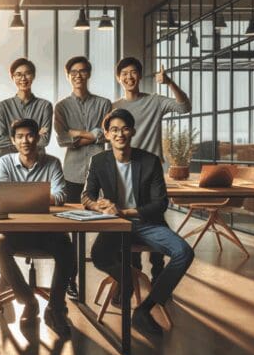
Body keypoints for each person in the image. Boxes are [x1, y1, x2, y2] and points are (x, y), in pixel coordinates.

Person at [82, 108, 194, 336]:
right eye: (114, 129)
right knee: (99, 255)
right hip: (114, 223)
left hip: (146, 222)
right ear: (106, 133)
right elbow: (86, 196)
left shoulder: (150, 161)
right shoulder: (98, 161)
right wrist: (99, 205)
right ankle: (128, 280)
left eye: (124, 128)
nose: (119, 134)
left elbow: (159, 204)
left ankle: (146, 308)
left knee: (184, 252)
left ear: (132, 131)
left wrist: (124, 211)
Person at [0, 118, 74, 338]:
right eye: (19, 136)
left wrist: (20, 196)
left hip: (47, 232)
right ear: (13, 140)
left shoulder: (53, 162)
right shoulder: (5, 162)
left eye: (30, 135)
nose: (25, 140)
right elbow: (2, 197)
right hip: (16, 231)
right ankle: (28, 301)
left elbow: (61, 196)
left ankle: (55, 308)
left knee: (67, 247)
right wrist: (40, 195)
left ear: (38, 138)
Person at [112, 57, 191, 281]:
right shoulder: (114, 107)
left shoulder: (155, 101)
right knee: (128, 225)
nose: (129, 77)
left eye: (133, 72)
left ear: (140, 75)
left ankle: (158, 275)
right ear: (119, 78)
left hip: (150, 172)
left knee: (155, 219)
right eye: (124, 73)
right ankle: (132, 277)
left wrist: (169, 82)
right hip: (125, 172)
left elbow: (184, 107)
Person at [54, 56, 111, 300]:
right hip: (73, 173)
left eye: (83, 71)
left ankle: (114, 272)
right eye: (74, 72)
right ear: (68, 75)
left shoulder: (104, 102)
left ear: (89, 74)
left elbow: (107, 134)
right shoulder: (61, 107)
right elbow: (62, 139)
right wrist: (94, 134)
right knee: (70, 228)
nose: (78, 75)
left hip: (101, 172)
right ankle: (71, 279)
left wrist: (80, 134)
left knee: (109, 222)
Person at [0, 58, 53, 163]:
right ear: (12, 77)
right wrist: (35, 137)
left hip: (37, 163)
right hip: (8, 163)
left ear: (33, 76)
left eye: (27, 73)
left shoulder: (45, 106)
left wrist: (15, 139)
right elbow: (0, 141)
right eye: (18, 74)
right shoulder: (2, 107)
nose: (23, 78)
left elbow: (45, 140)